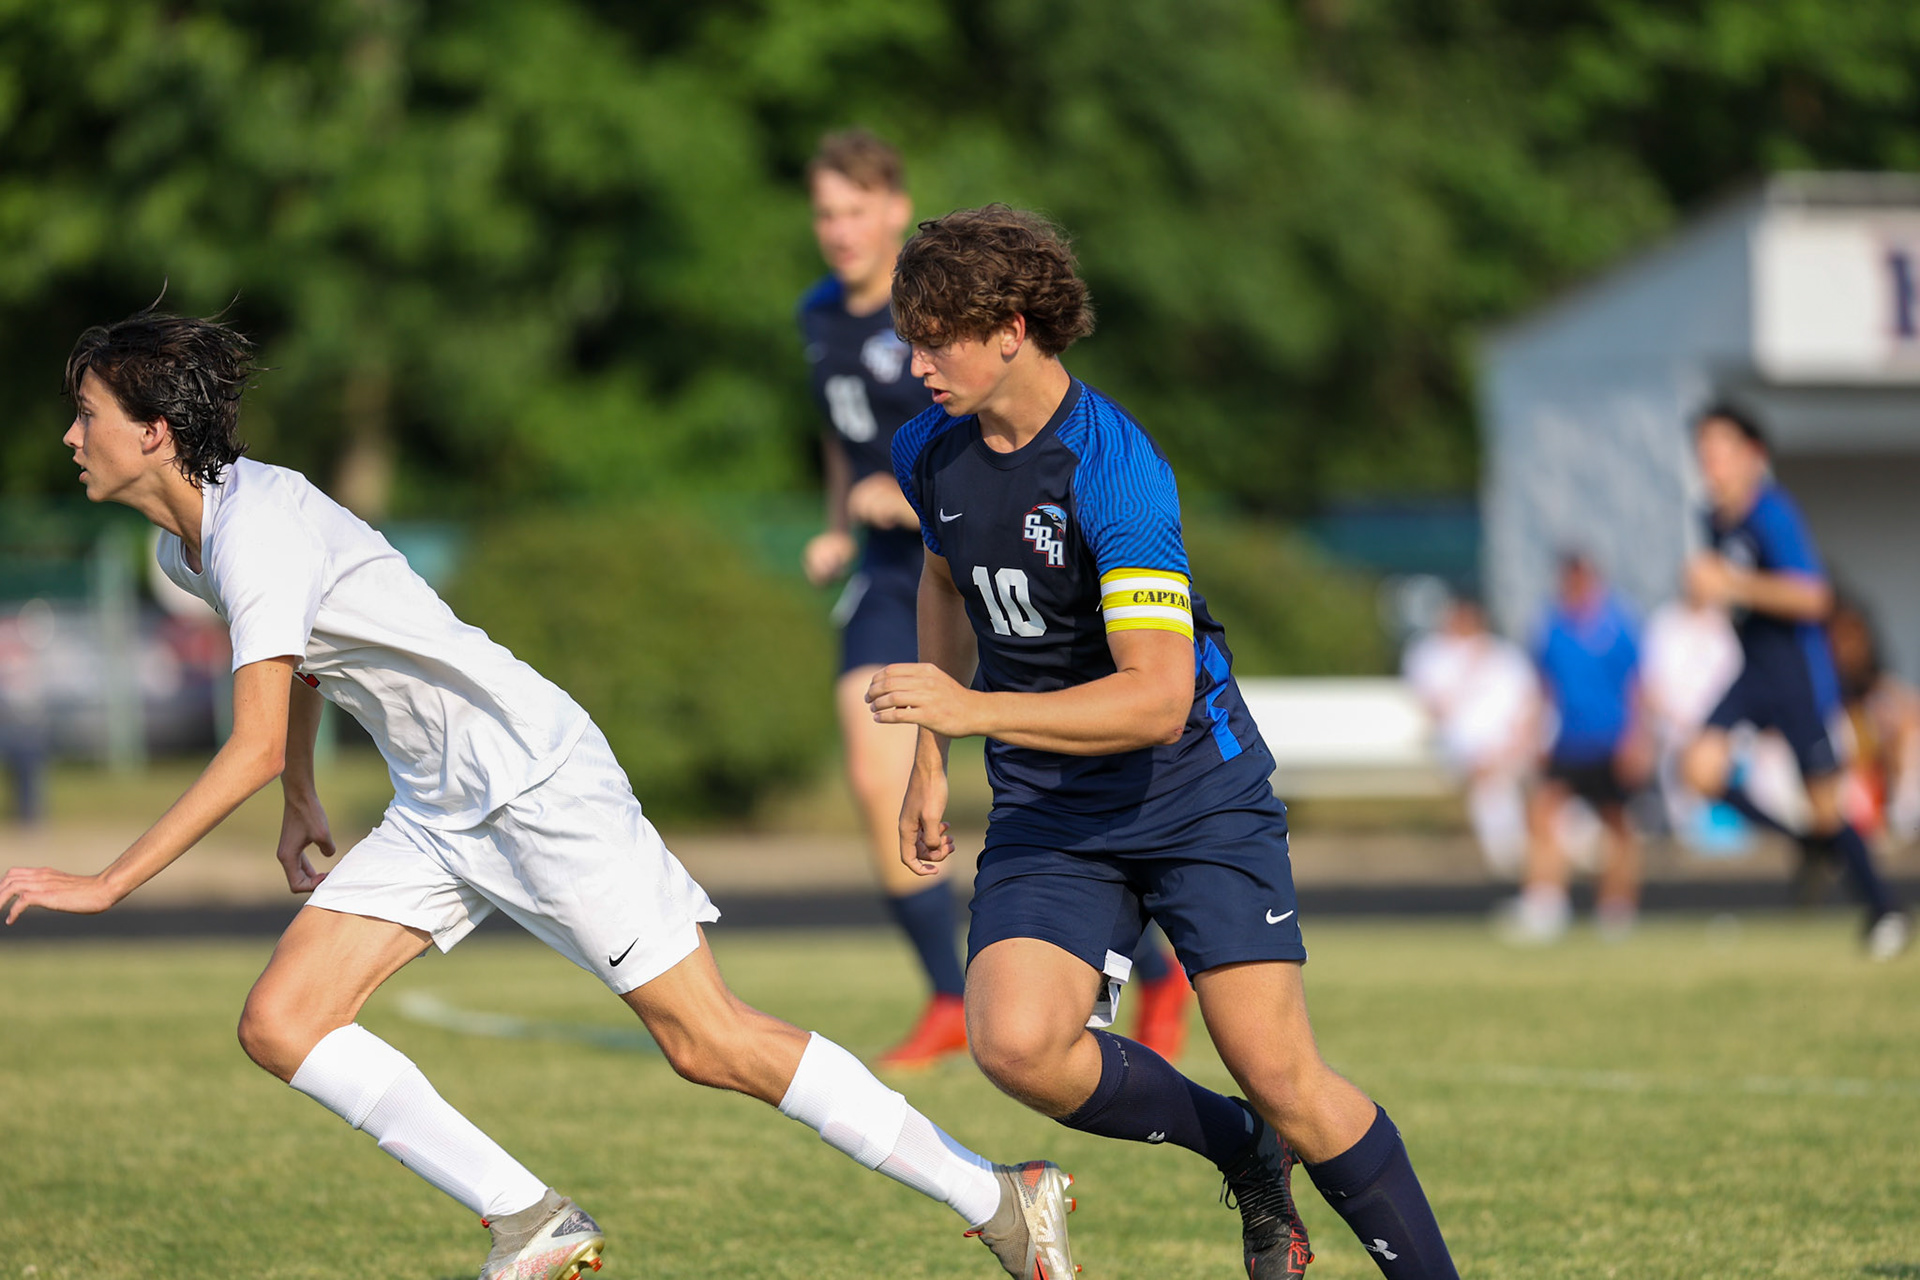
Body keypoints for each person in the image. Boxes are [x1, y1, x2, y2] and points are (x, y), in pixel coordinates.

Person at [0, 310, 1080, 1280]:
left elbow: (239, 739)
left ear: (152, 431)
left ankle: (998, 1196)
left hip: (532, 779)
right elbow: (302, 674)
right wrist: (300, 797)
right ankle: (530, 1219)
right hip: (437, 802)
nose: (68, 435)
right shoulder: (188, 548)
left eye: (83, 412)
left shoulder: (255, 529)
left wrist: (104, 882)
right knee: (284, 1020)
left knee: (708, 1041)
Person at [868, 205, 1458, 1279]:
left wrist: (974, 714)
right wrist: (927, 760)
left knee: (1285, 1073)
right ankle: (1241, 1150)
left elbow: (1152, 696)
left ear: (1010, 328)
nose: (915, 366)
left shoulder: (1115, 468)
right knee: (1014, 1042)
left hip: (1191, 788)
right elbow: (946, 575)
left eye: (935, 338)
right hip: (1053, 805)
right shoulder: (928, 451)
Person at [798, 130, 1188, 1068]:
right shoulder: (820, 317)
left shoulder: (951, 307)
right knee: (874, 774)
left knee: (1053, 757)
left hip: (987, 563)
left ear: (895, 208)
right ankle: (944, 986)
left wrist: (902, 499)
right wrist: (842, 525)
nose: (839, 231)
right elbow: (842, 442)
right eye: (824, 212)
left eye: (856, 209)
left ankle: (1151, 963)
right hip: (901, 576)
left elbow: (968, 450)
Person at [1679, 403, 1911, 960]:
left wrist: (1732, 584)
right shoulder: (1712, 517)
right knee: (1699, 767)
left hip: (1796, 671)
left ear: (1752, 455)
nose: (1711, 461)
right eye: (1704, 450)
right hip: (1750, 669)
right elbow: (1722, 592)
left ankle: (1885, 911)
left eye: (1722, 449)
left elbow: (1813, 598)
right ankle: (1808, 845)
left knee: (1827, 803)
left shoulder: (1774, 513)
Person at [1503, 554, 1651, 943]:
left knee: (1617, 823)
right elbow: (1543, 686)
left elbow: (1637, 686)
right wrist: (1536, 734)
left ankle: (1617, 908)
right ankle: (1545, 902)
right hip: (1569, 741)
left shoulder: (1619, 625)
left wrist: (1637, 739)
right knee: (1543, 814)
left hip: (1612, 739)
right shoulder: (1552, 626)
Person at [1402, 593, 1538, 878]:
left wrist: (1517, 744)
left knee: (1551, 783)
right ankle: (1513, 859)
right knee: (1490, 782)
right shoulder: (1429, 654)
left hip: (1514, 746)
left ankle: (1564, 850)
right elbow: (1439, 707)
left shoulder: (1504, 654)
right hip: (1463, 749)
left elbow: (1530, 704)